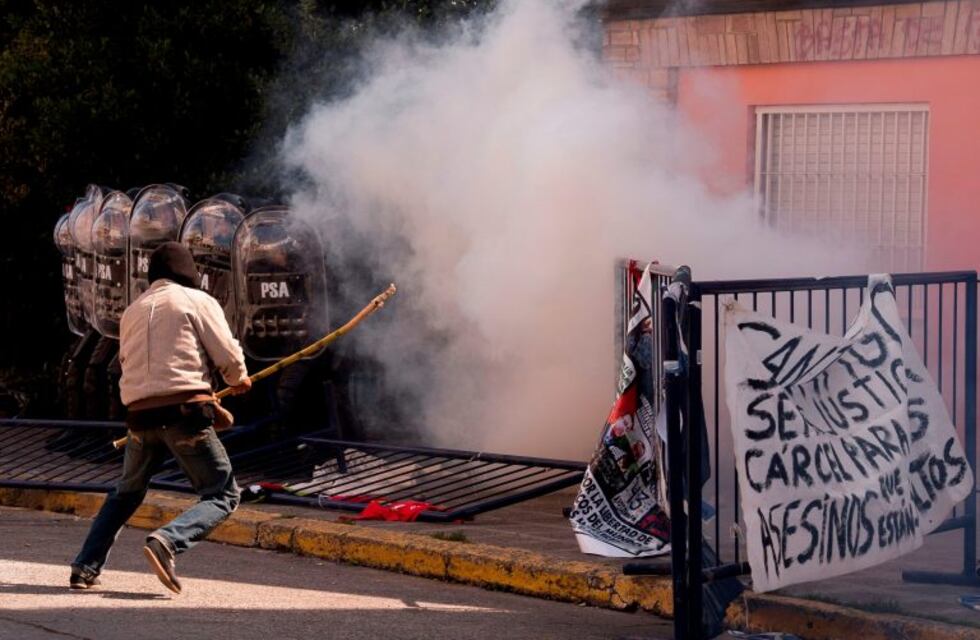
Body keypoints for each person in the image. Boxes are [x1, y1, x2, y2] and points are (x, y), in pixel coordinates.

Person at [69, 242, 250, 594]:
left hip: (139, 416)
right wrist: (238, 379)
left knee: (125, 492)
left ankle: (84, 568)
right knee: (222, 493)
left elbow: (127, 365)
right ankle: (168, 540)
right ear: (187, 271)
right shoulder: (197, 301)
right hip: (184, 415)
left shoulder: (132, 310)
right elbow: (227, 355)